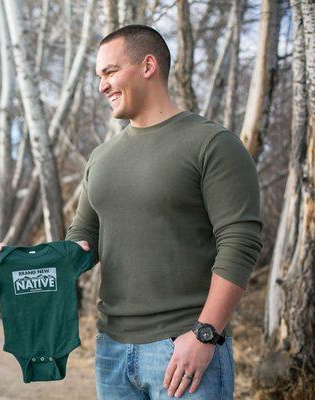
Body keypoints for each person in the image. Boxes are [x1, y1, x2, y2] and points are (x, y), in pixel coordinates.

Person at [65, 25, 262, 399]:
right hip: (111, 350)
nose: (102, 85)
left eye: (109, 72)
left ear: (148, 65)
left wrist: (206, 333)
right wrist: (22, 263)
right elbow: (82, 240)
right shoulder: (101, 158)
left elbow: (240, 243)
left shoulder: (211, 144)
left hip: (185, 347)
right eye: (99, 76)